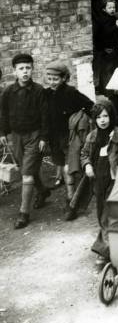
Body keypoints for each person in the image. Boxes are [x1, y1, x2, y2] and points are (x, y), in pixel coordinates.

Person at [81, 99, 118, 266]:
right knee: (102, 213)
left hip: (117, 179)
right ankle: (110, 247)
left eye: (105, 116)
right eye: (98, 117)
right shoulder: (92, 136)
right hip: (99, 179)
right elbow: (84, 154)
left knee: (110, 213)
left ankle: (105, 251)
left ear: (111, 116)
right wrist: (87, 165)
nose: (103, 120)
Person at [0, 53, 50, 229]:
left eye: (28, 67)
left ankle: (23, 213)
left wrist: (44, 137)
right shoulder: (8, 92)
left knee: (27, 174)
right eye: (21, 69)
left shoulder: (39, 91)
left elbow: (45, 116)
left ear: (33, 69)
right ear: (14, 72)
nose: (25, 71)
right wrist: (3, 133)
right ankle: (43, 191)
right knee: (25, 168)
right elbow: (3, 114)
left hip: (34, 135)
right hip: (16, 136)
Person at [45, 61, 94, 220]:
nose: (52, 82)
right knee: (62, 165)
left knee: (68, 168)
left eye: (56, 79)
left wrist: (95, 122)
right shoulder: (46, 94)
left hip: (70, 137)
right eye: (50, 78)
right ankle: (70, 197)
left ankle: (71, 203)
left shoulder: (71, 92)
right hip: (54, 138)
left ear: (64, 78)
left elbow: (90, 106)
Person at [93, 0, 118, 95]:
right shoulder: (103, 20)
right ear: (104, 9)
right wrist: (115, 26)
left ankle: (105, 89)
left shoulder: (111, 18)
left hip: (111, 48)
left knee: (109, 69)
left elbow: (116, 36)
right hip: (107, 48)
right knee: (107, 70)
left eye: (114, 7)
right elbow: (104, 33)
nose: (112, 10)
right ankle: (108, 91)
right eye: (110, 8)